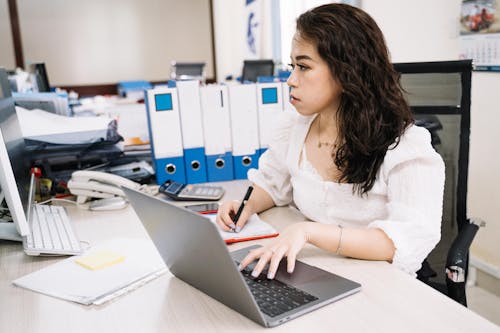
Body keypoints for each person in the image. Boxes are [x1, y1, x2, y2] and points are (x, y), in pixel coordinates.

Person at [216, 3, 445, 279]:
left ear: (346, 71)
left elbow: (406, 239)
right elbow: (273, 184)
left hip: (380, 281)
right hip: (317, 271)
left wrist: (308, 232)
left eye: (303, 67)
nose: (291, 80)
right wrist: (246, 205)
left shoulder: (404, 146)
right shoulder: (294, 127)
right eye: (292, 66)